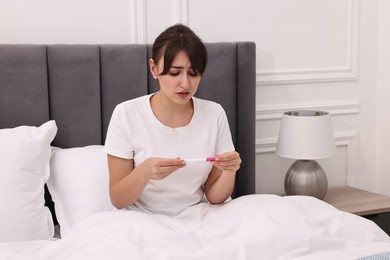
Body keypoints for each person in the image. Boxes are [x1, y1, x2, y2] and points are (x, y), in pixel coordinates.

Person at [104, 24, 241, 216]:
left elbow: (215, 197)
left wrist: (230, 170)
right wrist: (145, 171)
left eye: (193, 73)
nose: (185, 84)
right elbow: (118, 200)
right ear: (154, 68)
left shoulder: (214, 113)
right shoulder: (126, 114)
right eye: (174, 73)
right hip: (140, 221)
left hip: (196, 217)